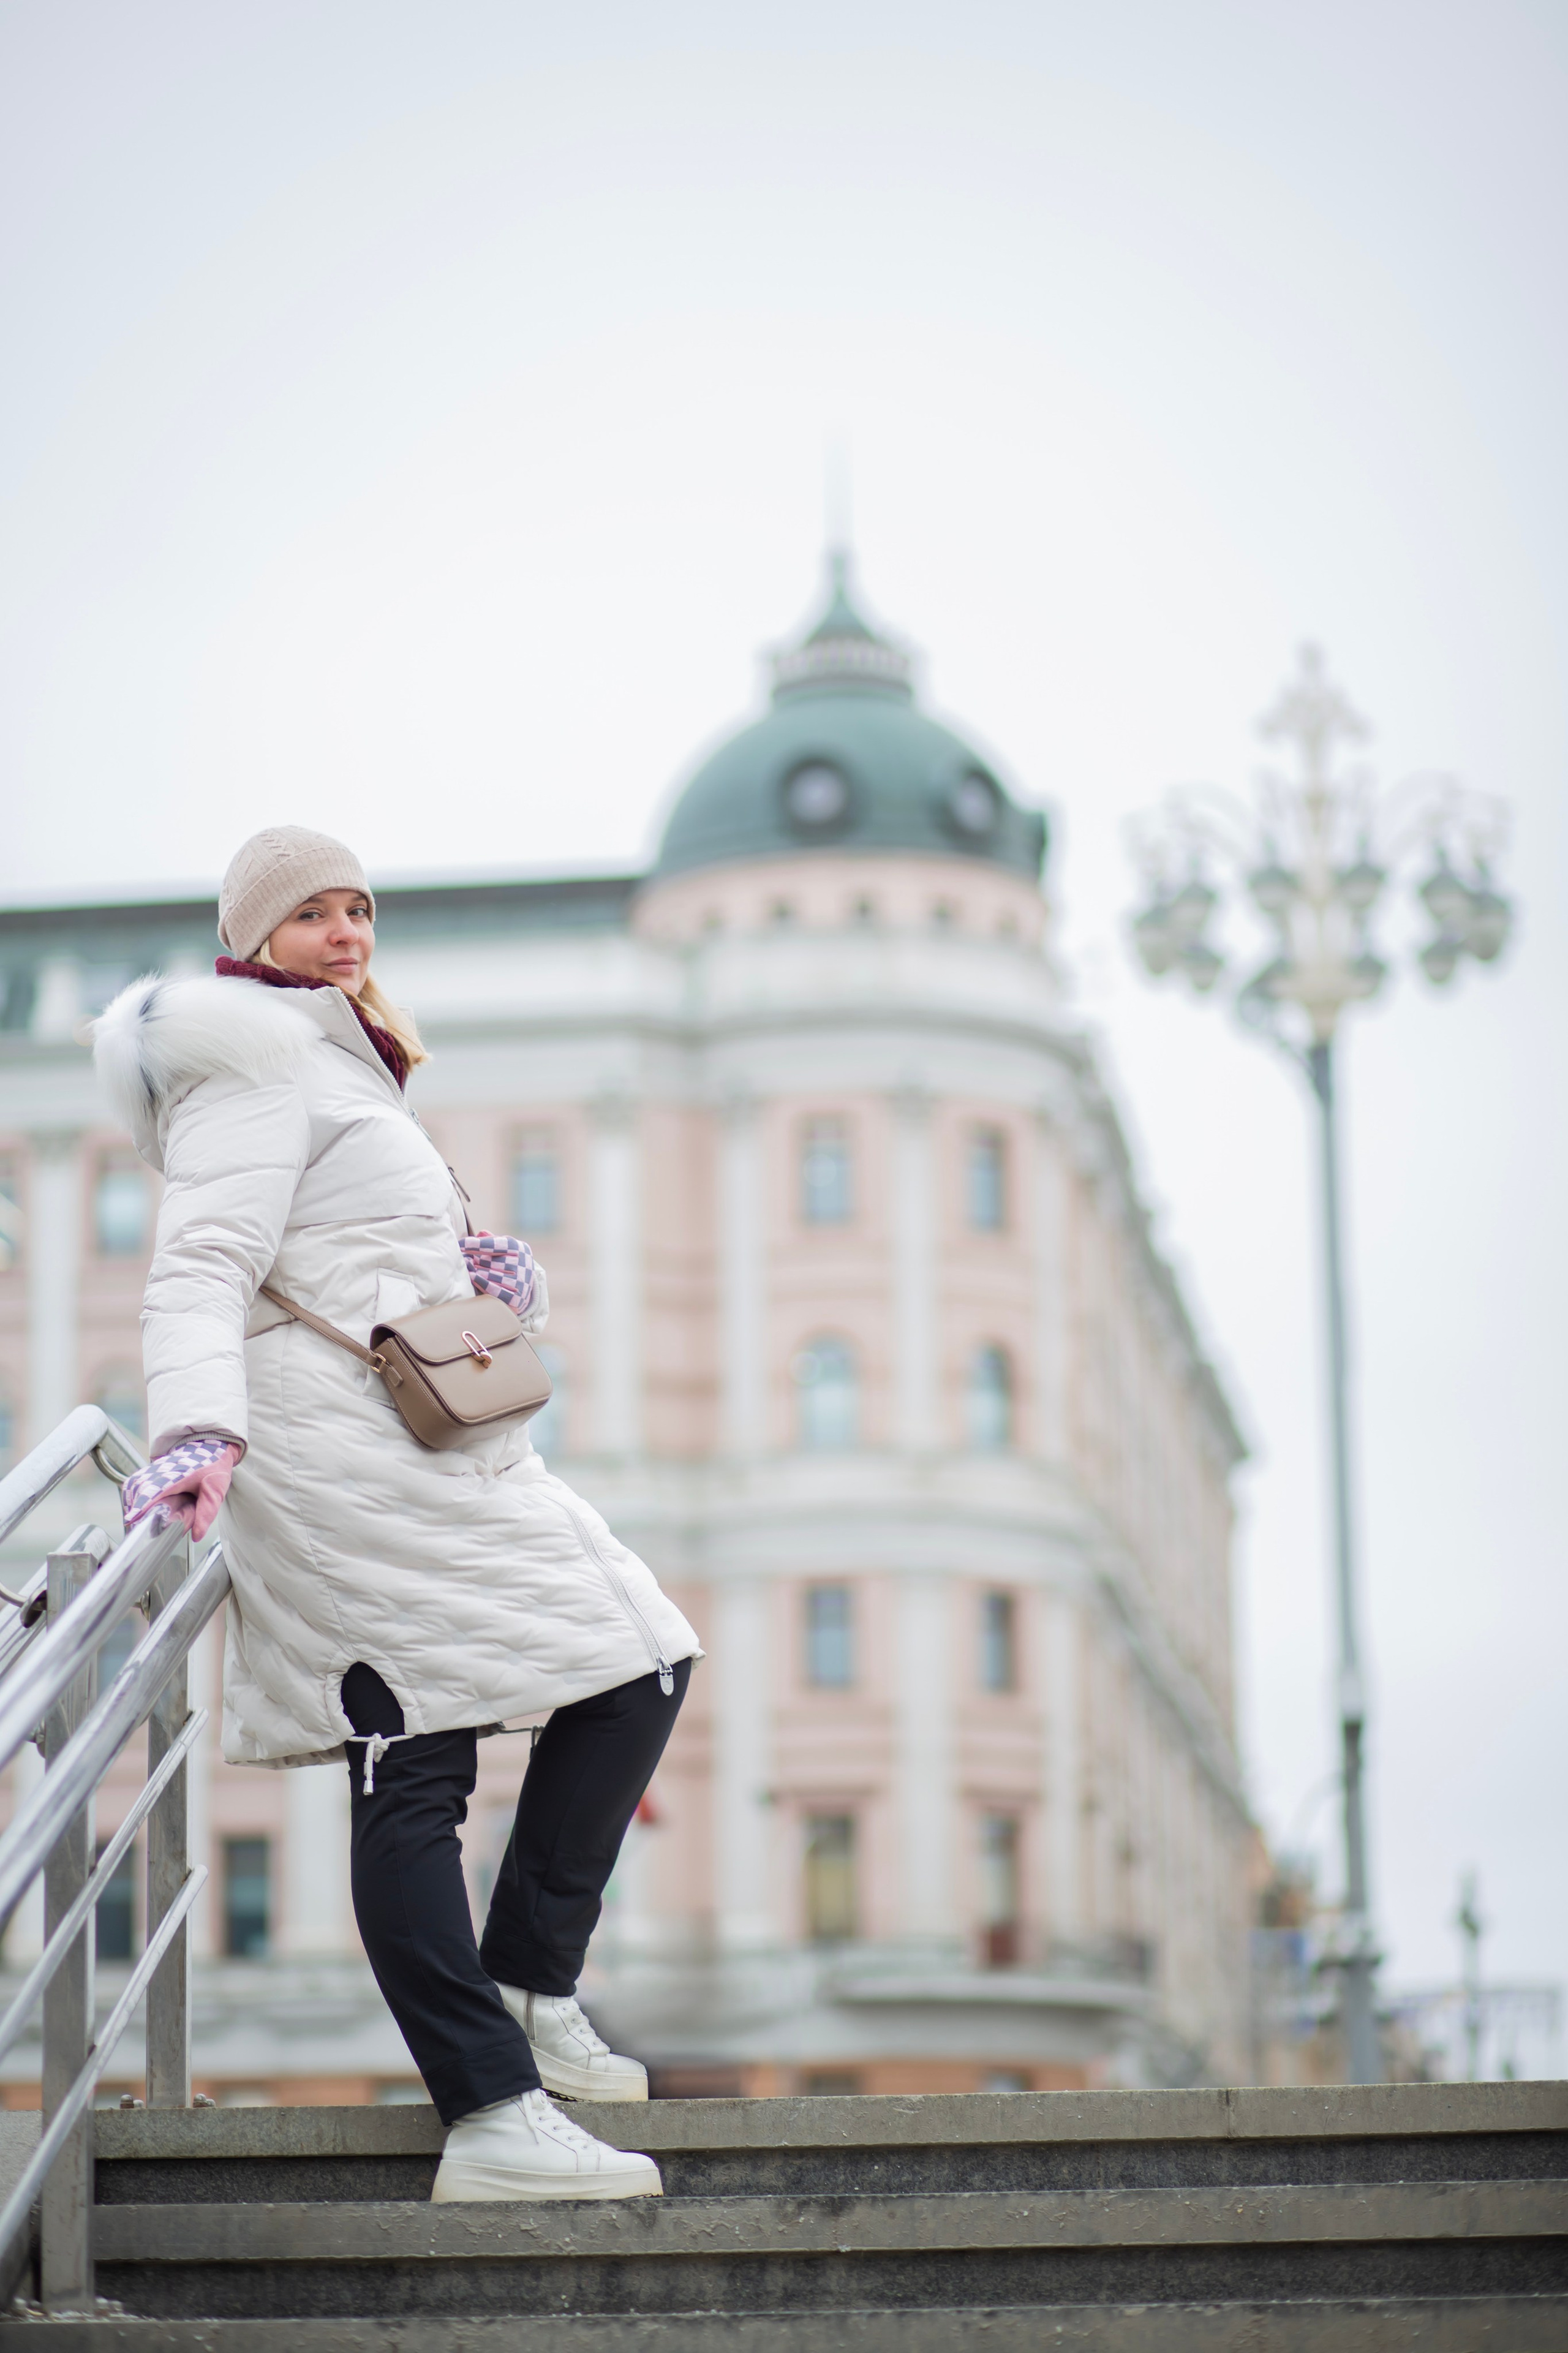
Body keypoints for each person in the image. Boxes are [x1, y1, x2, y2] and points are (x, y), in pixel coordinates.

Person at [94, 826, 700, 2204]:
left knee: (642, 1654)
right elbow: (201, 1263)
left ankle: (532, 1993)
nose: (347, 931)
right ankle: (490, 2111)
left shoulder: (335, 1059)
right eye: (312, 912)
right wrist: (196, 1426)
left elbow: (337, 1247)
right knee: (415, 1758)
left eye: (360, 907)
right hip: (325, 1457)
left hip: (420, 1441)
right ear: (256, 937)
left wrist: (466, 1266)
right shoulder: (249, 1056)